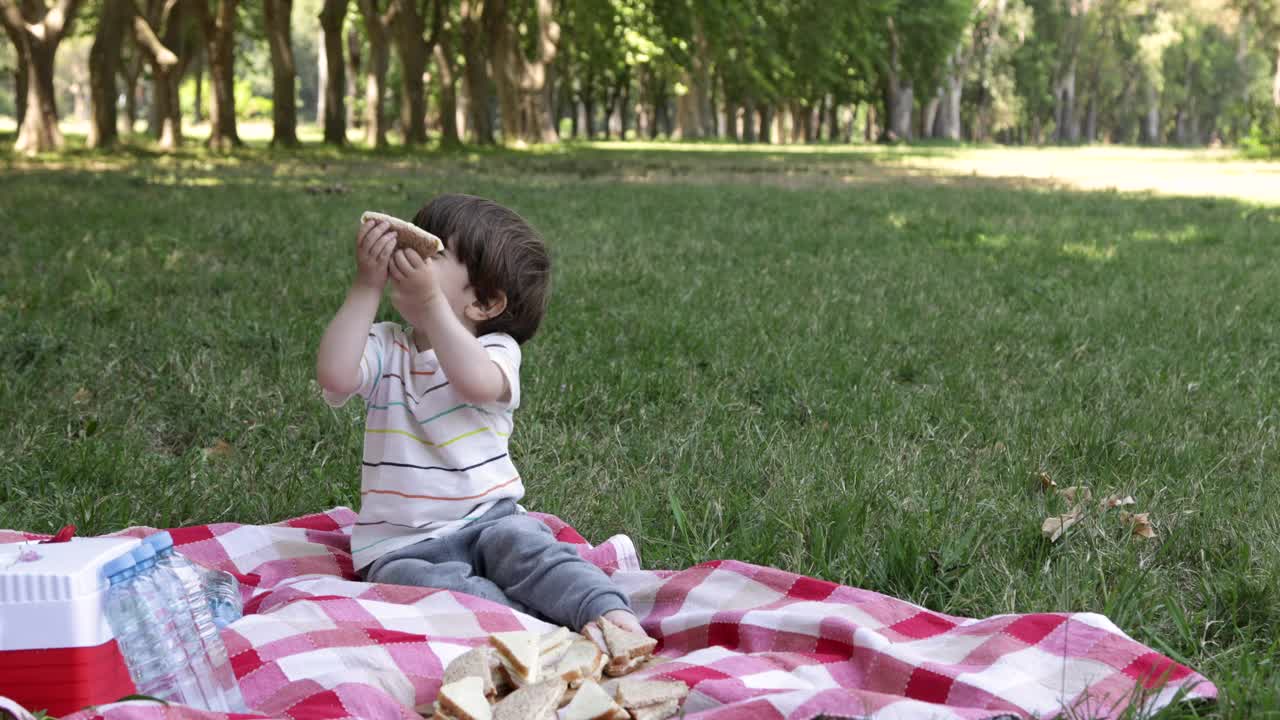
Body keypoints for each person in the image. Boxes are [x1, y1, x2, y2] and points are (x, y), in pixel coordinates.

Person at [316, 194, 644, 645]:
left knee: (533, 553)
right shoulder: (385, 346)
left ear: (484, 303)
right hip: (399, 547)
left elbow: (476, 384)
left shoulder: (496, 351)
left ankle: (602, 610)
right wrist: (365, 287)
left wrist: (431, 304)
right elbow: (334, 373)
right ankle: (533, 631)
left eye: (435, 253)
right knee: (429, 592)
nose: (410, 256)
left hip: (491, 519)